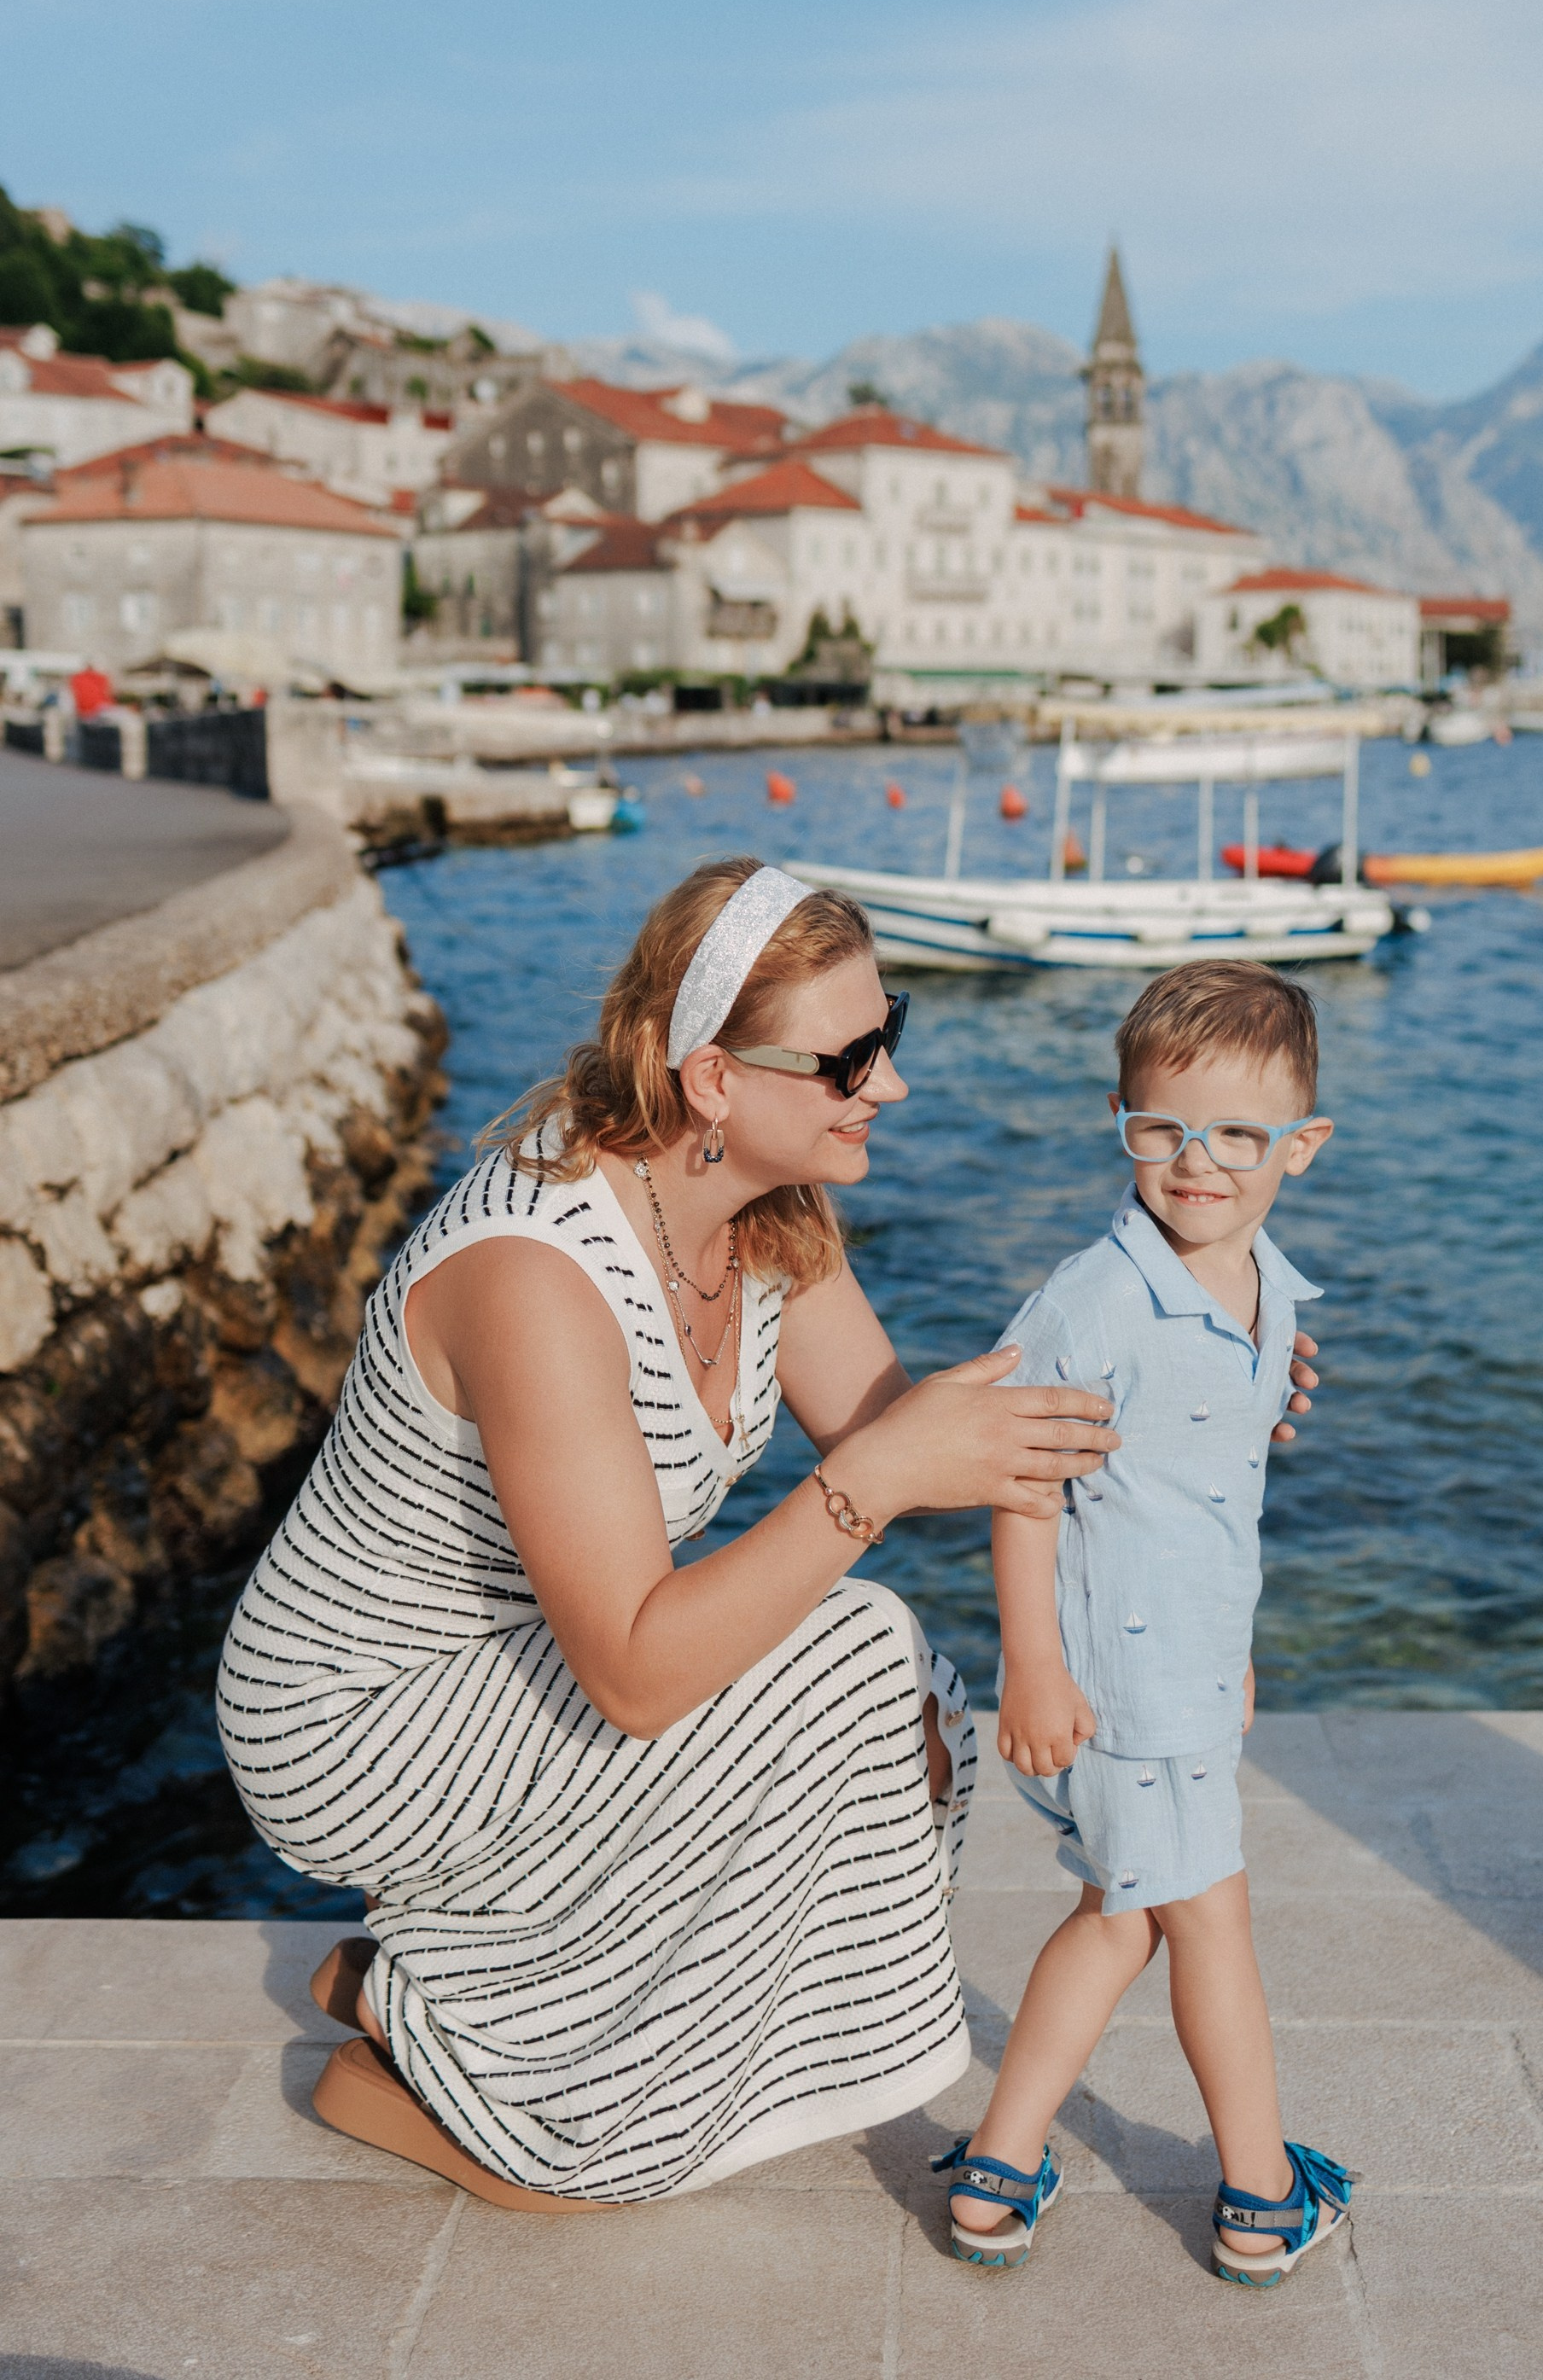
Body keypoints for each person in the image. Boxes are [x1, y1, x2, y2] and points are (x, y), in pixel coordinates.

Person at [216, 858, 1129, 2212]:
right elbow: (641, 1676)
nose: (890, 1084)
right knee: (854, 1655)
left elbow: (913, 1427)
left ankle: (456, 1993)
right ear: (712, 1080)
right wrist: (869, 1486)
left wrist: (1193, 1391)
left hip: (533, 1668)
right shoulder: (534, 1276)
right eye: (850, 1058)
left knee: (907, 1711)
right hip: (354, 1718)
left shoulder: (764, 1216)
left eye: (894, 1037)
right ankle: (531, 2109)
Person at [935, 958, 1354, 2285]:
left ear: (1303, 1146)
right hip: (1112, 1684)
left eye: (1239, 1135)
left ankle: (998, 2170)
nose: (1199, 1164)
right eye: (1161, 1128)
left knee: (1117, 1916)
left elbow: (1210, 1490)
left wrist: (1230, 1658)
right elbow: (1024, 1487)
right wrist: (1034, 1668)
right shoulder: (1095, 1301)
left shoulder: (1268, 1284)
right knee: (1205, 1924)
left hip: (1181, 1671)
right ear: (1119, 1119)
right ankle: (1260, 2193)